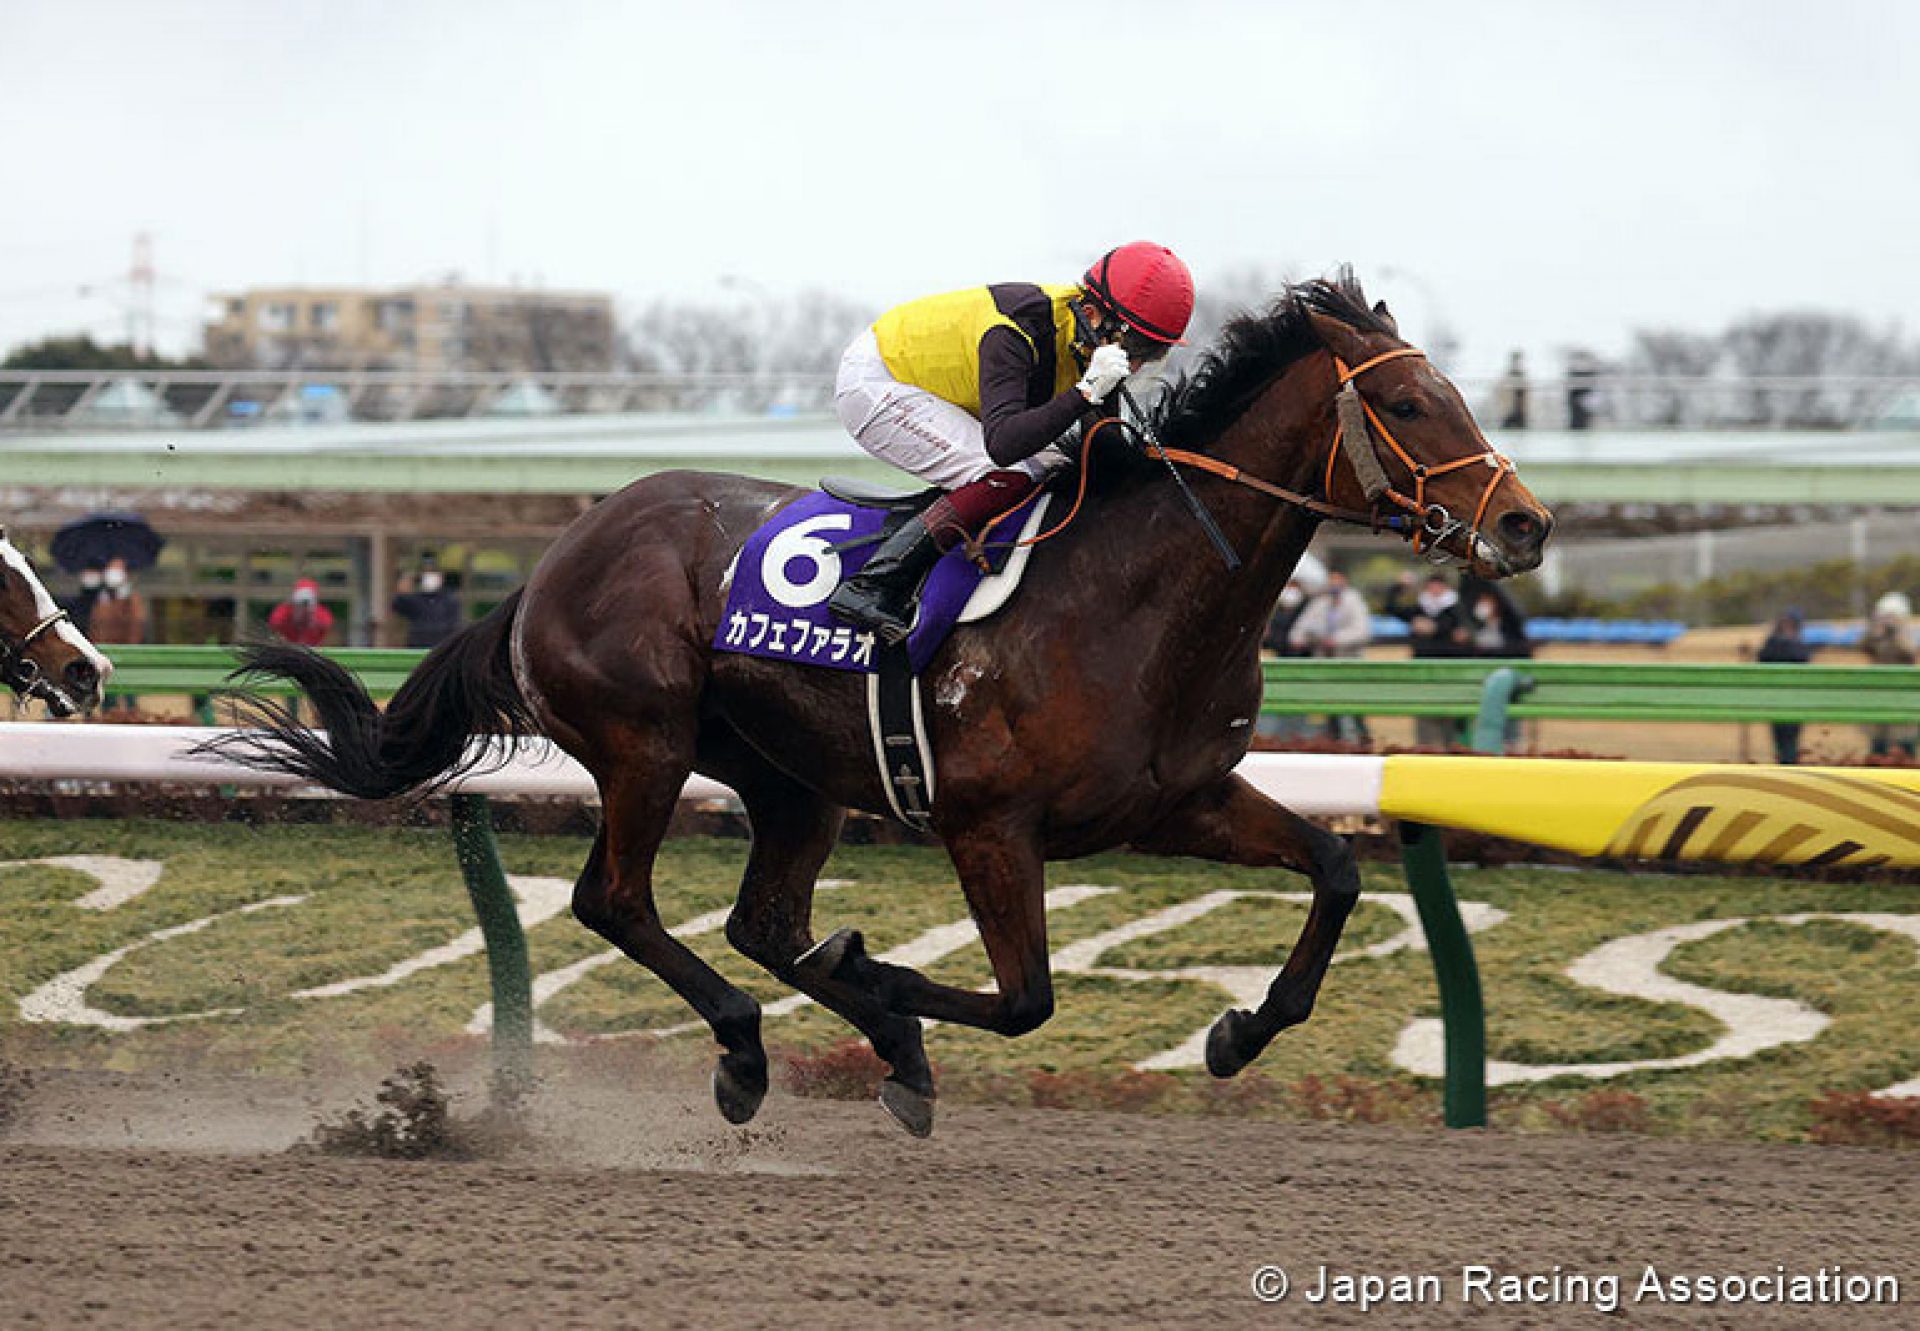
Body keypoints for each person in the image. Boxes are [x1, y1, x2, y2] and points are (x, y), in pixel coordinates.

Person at [826, 241, 1196, 642]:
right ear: (1092, 315)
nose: (1135, 365)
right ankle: (873, 583)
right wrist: (1086, 391)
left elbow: (1101, 446)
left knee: (1055, 465)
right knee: (1010, 474)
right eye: (1136, 349)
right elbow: (1004, 446)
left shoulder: (1093, 337)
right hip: (877, 382)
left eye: (1151, 355)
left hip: (933, 389)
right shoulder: (1015, 332)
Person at [1288, 569, 1373, 743]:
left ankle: (1361, 741)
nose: (1334, 584)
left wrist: (1335, 640)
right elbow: (1298, 632)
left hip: (1348, 663)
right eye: (1331, 580)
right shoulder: (1320, 603)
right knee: (1329, 707)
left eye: (1337, 580)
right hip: (1324, 664)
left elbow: (1362, 631)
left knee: (1353, 706)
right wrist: (1304, 639)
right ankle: (1334, 741)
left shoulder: (1354, 602)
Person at [1395, 572, 1471, 748]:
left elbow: (1466, 634)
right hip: (1424, 671)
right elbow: (1392, 608)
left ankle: (1451, 747)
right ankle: (1425, 747)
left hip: (1449, 672)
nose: (1434, 590)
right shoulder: (1420, 608)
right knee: (1425, 713)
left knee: (1449, 714)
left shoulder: (1458, 608)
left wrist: (1435, 629)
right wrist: (1399, 587)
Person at [1864, 592, 1918, 758]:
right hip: (1880, 691)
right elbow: (1865, 647)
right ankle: (1878, 756)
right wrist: (1875, 632)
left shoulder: (1907, 635)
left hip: (1902, 691)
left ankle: (1907, 758)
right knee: (1879, 735)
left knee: (1905, 734)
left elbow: (1909, 653)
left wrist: (1896, 634)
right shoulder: (1879, 637)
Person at [1755, 609, 1813, 764]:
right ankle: (1787, 762)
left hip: (1780, 697)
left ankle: (1786, 762)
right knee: (1785, 738)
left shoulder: (1773, 643)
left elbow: (1762, 659)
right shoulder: (1797, 643)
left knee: (1786, 739)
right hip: (1789, 698)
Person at [391, 565, 463, 649]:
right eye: (427, 574)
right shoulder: (415, 599)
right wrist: (406, 583)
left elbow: (454, 624)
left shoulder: (449, 599)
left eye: (434, 574)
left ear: (441, 578)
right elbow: (398, 604)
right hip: (417, 645)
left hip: (441, 646)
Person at [87, 558, 148, 645]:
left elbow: (137, 626)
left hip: (123, 648)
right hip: (101, 647)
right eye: (111, 569)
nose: (113, 573)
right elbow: (95, 626)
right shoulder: (101, 598)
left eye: (117, 569)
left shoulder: (132, 600)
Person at [268, 578, 335, 647]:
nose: (304, 608)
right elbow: (273, 639)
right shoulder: (279, 617)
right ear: (293, 603)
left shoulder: (323, 619)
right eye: (300, 604)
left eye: (307, 604)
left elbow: (329, 641)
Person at [1494, 350, 1530, 430]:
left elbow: (1525, 395)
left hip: (1519, 412)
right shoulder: (1508, 377)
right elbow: (1501, 392)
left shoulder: (1522, 377)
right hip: (1508, 412)